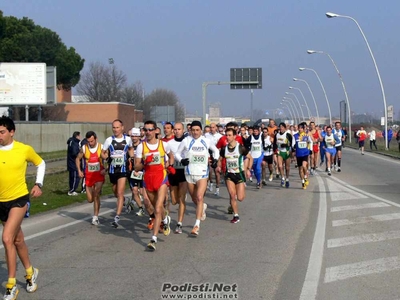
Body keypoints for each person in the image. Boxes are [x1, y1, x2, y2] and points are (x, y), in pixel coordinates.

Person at [0, 116, 45, 299]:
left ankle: (11, 285)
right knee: (17, 240)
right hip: (1, 202)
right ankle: (30, 272)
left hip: (18, 199)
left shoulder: (23, 149)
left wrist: (38, 184)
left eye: (2, 132)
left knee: (7, 238)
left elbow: (41, 163)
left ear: (12, 132)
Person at [134, 120, 175, 251]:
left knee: (157, 208)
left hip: (161, 178)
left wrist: (169, 165)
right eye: (145, 130)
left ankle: (154, 239)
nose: (148, 132)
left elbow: (171, 156)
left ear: (156, 130)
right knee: (153, 206)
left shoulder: (163, 145)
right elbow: (136, 166)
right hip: (148, 179)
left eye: (150, 129)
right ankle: (165, 219)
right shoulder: (141, 147)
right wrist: (146, 162)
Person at [175, 121, 219, 236]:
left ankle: (196, 225)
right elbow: (177, 154)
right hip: (189, 173)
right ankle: (202, 207)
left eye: (197, 130)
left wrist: (215, 160)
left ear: (201, 130)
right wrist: (181, 160)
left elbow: (216, 151)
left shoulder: (206, 141)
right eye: (193, 130)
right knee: (195, 199)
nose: (195, 132)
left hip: (203, 174)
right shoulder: (186, 141)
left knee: (199, 197)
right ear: (190, 131)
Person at [101, 119, 134, 228]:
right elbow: (103, 152)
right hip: (112, 170)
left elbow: (130, 149)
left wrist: (132, 158)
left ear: (122, 127)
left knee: (120, 192)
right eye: (114, 127)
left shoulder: (128, 139)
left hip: (123, 170)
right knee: (115, 192)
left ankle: (117, 217)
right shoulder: (109, 140)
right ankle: (125, 200)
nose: (115, 129)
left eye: (117, 127)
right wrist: (106, 158)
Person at [216, 128, 252, 223]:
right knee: (232, 195)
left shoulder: (240, 148)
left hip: (239, 175)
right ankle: (236, 216)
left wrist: (248, 169)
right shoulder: (224, 149)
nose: (227, 137)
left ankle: (237, 195)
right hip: (229, 175)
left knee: (240, 198)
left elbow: (250, 157)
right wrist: (219, 166)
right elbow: (220, 159)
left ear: (235, 136)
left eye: (229, 135)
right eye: (226, 135)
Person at [76, 131, 106, 225]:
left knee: (96, 194)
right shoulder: (84, 148)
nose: (90, 143)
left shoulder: (102, 147)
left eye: (92, 141)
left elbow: (109, 159)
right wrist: (79, 171)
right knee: (90, 199)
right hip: (88, 176)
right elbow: (77, 159)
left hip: (99, 175)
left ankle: (95, 217)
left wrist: (106, 169)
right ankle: (95, 196)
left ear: (96, 139)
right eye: (89, 141)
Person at [166, 122, 188, 234]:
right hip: (173, 172)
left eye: (179, 129)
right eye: (175, 129)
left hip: (184, 172)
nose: (177, 131)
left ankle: (179, 224)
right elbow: (166, 159)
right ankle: (180, 202)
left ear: (183, 130)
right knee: (174, 201)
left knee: (182, 198)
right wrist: (168, 166)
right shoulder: (169, 143)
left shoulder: (188, 142)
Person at [274, 123, 294, 188]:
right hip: (280, 152)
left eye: (282, 127)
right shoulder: (277, 135)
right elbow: (274, 143)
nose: (281, 128)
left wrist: (286, 145)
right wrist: (274, 149)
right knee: (280, 166)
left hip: (287, 152)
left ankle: (287, 179)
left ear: (285, 128)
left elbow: (291, 144)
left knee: (287, 168)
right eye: (280, 127)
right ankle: (282, 178)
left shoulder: (288, 135)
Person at [205, 123, 222, 195]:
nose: (212, 129)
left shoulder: (220, 136)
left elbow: (221, 147)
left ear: (216, 128)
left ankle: (217, 188)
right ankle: (211, 183)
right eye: (211, 127)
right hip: (209, 155)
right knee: (210, 171)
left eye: (213, 127)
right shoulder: (206, 135)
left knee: (217, 172)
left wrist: (219, 157)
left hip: (217, 155)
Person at [293, 124, 312, 189]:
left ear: (303, 129)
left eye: (301, 128)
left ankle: (306, 176)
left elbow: (310, 142)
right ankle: (303, 182)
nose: (300, 129)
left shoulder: (306, 136)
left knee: (304, 166)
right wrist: (294, 147)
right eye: (299, 128)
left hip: (305, 153)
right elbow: (293, 144)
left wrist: (310, 149)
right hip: (298, 154)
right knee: (300, 170)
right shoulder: (295, 136)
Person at [67, 131, 81, 196]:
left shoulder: (72, 142)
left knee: (72, 177)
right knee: (75, 177)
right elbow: (74, 152)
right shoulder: (74, 143)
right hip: (73, 163)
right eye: (79, 136)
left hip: (71, 162)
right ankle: (72, 190)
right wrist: (80, 154)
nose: (80, 137)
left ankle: (72, 189)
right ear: (77, 136)